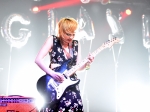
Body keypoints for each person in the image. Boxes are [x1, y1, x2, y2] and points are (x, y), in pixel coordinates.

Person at [35, 17, 94, 112]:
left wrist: (88, 63)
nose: (71, 37)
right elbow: (38, 60)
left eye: (73, 34)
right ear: (61, 31)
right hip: (54, 84)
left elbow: (78, 68)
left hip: (71, 86)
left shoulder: (76, 44)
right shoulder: (52, 40)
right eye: (68, 34)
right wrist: (52, 73)